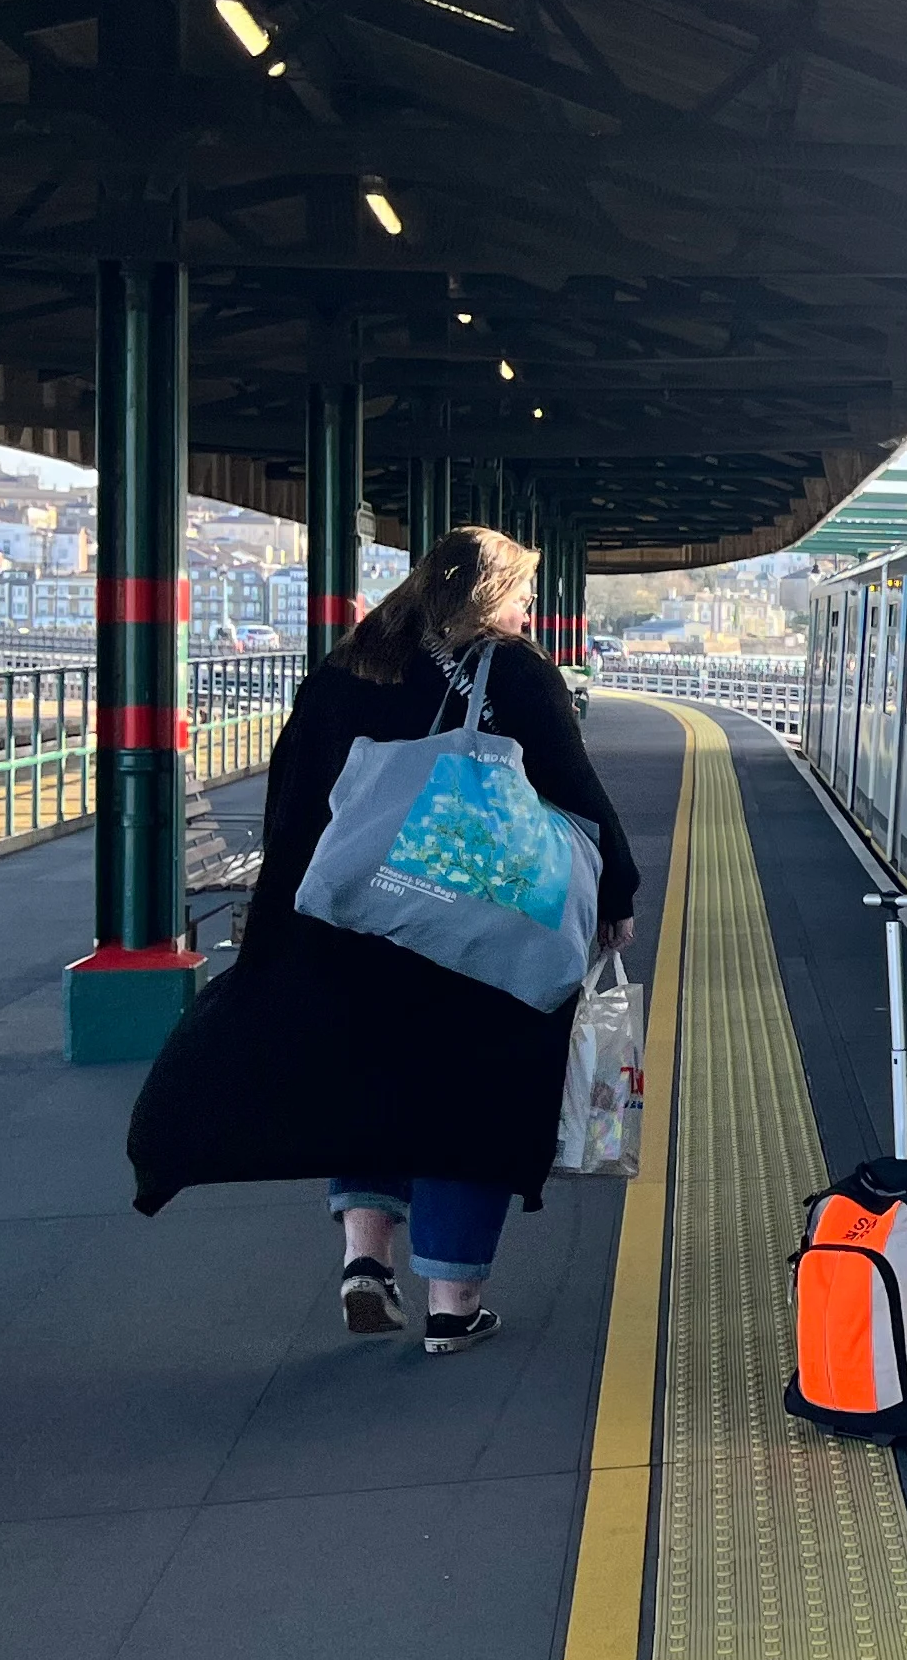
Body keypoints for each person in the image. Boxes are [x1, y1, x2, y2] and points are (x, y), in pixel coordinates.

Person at [124, 526, 640, 1352]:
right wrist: (619, 892)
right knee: (469, 1106)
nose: (529, 609)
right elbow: (578, 798)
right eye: (522, 594)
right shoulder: (514, 675)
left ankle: (365, 1264)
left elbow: (293, 797)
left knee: (368, 1085)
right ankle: (452, 1306)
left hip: (355, 923)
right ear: (487, 597)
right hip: (479, 936)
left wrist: (288, 919)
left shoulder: (346, 670)